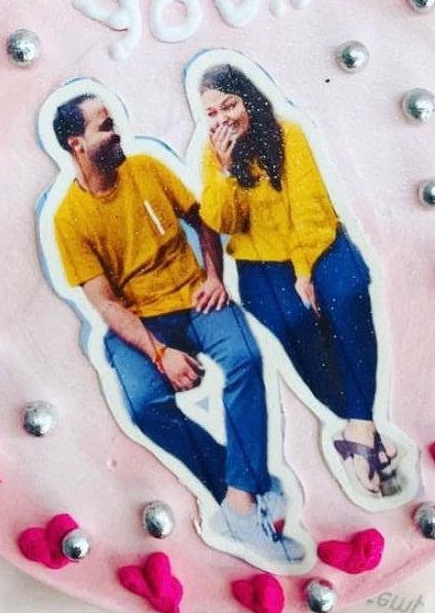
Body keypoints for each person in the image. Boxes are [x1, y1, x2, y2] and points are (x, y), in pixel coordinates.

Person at [50, 92, 304, 566]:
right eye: (104, 126)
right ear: (77, 144)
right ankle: (240, 489)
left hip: (195, 297)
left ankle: (242, 503)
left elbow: (202, 221)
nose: (116, 130)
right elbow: (103, 302)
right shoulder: (70, 218)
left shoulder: (146, 168)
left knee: (246, 360)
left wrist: (213, 276)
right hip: (139, 321)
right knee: (145, 407)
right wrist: (158, 353)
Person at [193, 63, 406, 501]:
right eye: (211, 113)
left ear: (247, 98)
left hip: (319, 246)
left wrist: (305, 269)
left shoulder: (287, 133)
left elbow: (308, 207)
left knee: (346, 302)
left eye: (228, 105)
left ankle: (361, 436)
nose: (221, 120)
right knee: (307, 350)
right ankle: (361, 433)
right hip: (260, 267)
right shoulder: (213, 157)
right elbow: (222, 222)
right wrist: (227, 171)